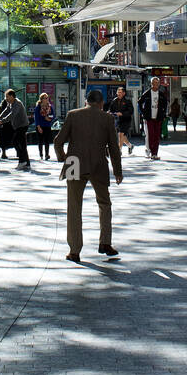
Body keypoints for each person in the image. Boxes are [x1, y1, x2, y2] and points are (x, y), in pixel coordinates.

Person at [54, 88, 123, 263]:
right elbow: (114, 148)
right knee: (104, 203)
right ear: (101, 104)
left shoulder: (72, 115)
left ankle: (74, 251)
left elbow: (58, 141)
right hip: (98, 164)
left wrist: (63, 157)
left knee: (74, 206)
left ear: (86, 101)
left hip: (74, 163)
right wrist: (118, 171)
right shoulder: (107, 118)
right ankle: (105, 243)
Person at [0, 88, 30, 169]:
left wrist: (2, 121)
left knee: (16, 142)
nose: (6, 98)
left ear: (12, 96)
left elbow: (12, 114)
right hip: (18, 126)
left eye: (7, 96)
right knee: (22, 144)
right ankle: (26, 163)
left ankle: (22, 161)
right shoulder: (10, 103)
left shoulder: (17, 103)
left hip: (22, 125)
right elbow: (5, 111)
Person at [138, 77, 168, 160]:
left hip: (158, 117)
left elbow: (165, 104)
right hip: (149, 118)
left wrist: (163, 113)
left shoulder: (161, 94)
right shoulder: (147, 93)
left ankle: (155, 153)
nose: (156, 84)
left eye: (157, 83)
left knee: (157, 136)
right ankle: (151, 152)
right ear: (151, 83)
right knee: (150, 135)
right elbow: (139, 102)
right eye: (154, 82)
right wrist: (143, 112)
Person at [109, 84, 134, 155]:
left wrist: (122, 113)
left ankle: (119, 150)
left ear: (124, 93)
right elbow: (111, 110)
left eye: (120, 92)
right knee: (122, 136)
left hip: (126, 120)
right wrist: (110, 113)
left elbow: (130, 111)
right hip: (118, 120)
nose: (119, 94)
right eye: (118, 92)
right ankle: (130, 146)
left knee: (120, 134)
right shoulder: (114, 101)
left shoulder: (127, 101)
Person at [34, 92, 55, 161]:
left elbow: (53, 115)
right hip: (40, 126)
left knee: (47, 141)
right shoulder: (38, 107)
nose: (47, 99)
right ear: (42, 99)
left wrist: (49, 118)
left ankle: (47, 154)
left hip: (47, 125)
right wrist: (38, 126)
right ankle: (41, 154)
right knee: (40, 141)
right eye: (45, 98)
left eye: (47, 98)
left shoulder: (50, 106)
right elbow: (36, 117)